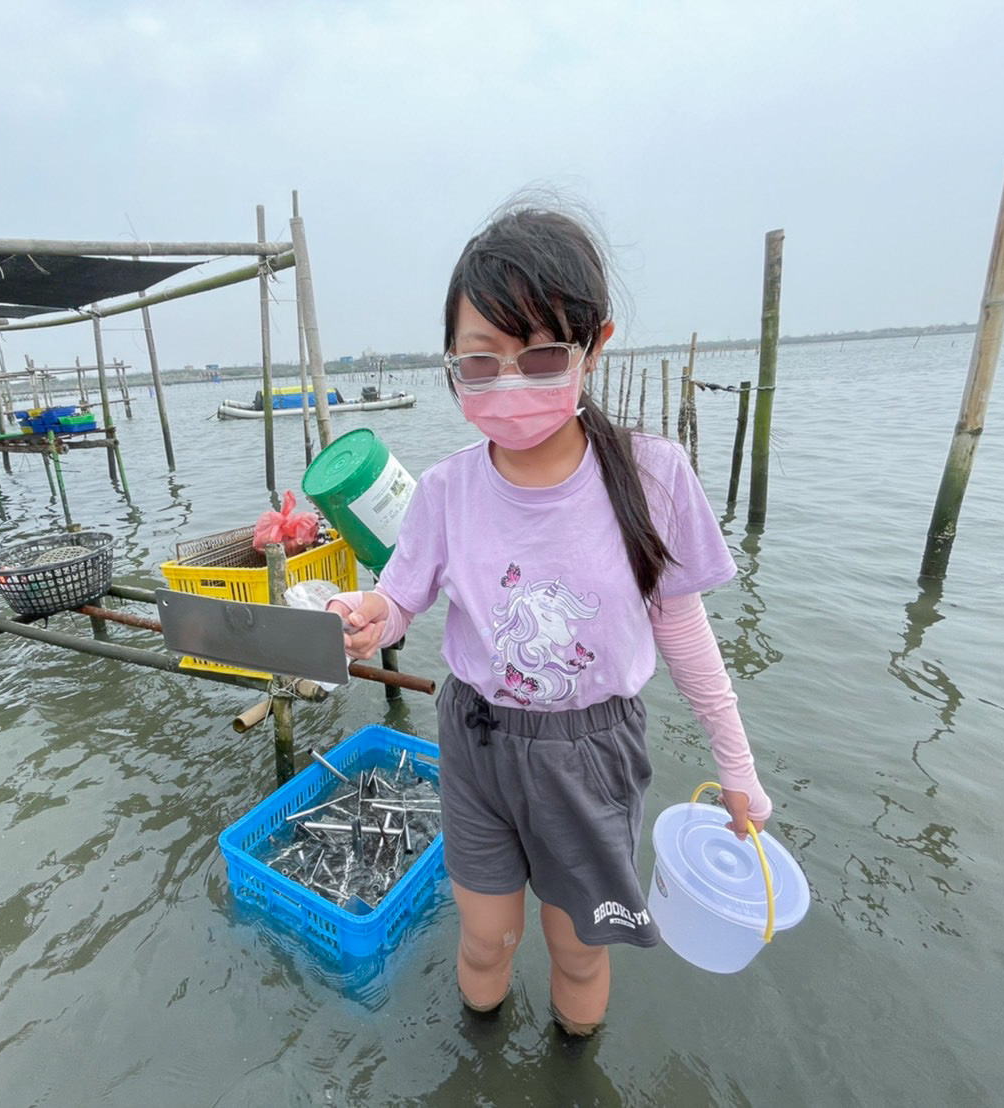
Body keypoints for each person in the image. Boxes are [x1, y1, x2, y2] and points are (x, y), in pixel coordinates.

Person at [326, 206, 773, 1038]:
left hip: (592, 751)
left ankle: (573, 1066)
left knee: (579, 951)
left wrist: (736, 765)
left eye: (538, 357)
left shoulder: (652, 477)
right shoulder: (447, 490)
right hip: (477, 738)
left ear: (594, 344)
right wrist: (363, 613)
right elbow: (399, 602)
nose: (508, 384)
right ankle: (482, 1052)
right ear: (453, 364)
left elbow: (684, 634)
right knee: (487, 939)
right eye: (480, 363)